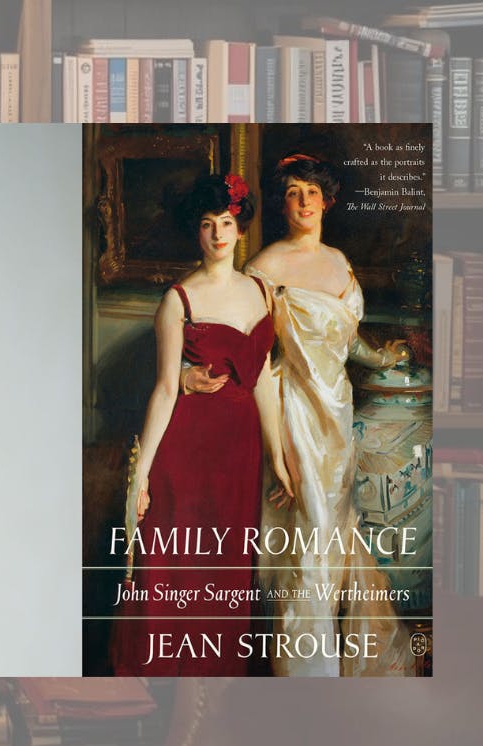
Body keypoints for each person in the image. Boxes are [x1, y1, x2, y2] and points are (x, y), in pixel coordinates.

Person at [185, 153, 414, 676]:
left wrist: (382, 357)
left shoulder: (339, 260)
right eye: (293, 192)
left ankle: (329, 662)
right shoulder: (263, 269)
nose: (304, 200)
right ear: (282, 204)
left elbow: (346, 338)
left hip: (337, 416)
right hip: (293, 415)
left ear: (327, 200)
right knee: (304, 544)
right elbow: (232, 342)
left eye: (312, 191)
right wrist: (184, 376)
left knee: (330, 535)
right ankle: (308, 679)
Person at [111, 174, 292, 677]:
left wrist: (277, 457)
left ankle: (215, 694)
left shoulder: (261, 291)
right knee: (179, 567)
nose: (217, 234)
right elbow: (167, 388)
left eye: (227, 224)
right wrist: (141, 476)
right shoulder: (178, 300)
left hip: (240, 452)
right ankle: (161, 690)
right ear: (198, 232)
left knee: (227, 567)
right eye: (208, 225)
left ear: (240, 231)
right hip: (185, 452)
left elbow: (262, 381)